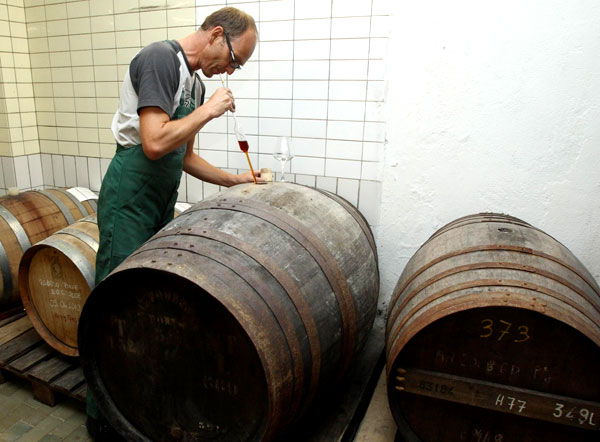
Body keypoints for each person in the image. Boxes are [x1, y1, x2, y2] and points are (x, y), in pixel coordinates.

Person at [84, 7, 259, 441]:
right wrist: (211, 110)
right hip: (130, 194)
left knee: (146, 301)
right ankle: (100, 415)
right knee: (116, 303)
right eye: (235, 60)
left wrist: (235, 180)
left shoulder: (195, 83)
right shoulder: (160, 59)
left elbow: (185, 155)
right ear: (218, 35)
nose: (230, 72)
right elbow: (155, 140)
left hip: (160, 197)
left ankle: (135, 403)